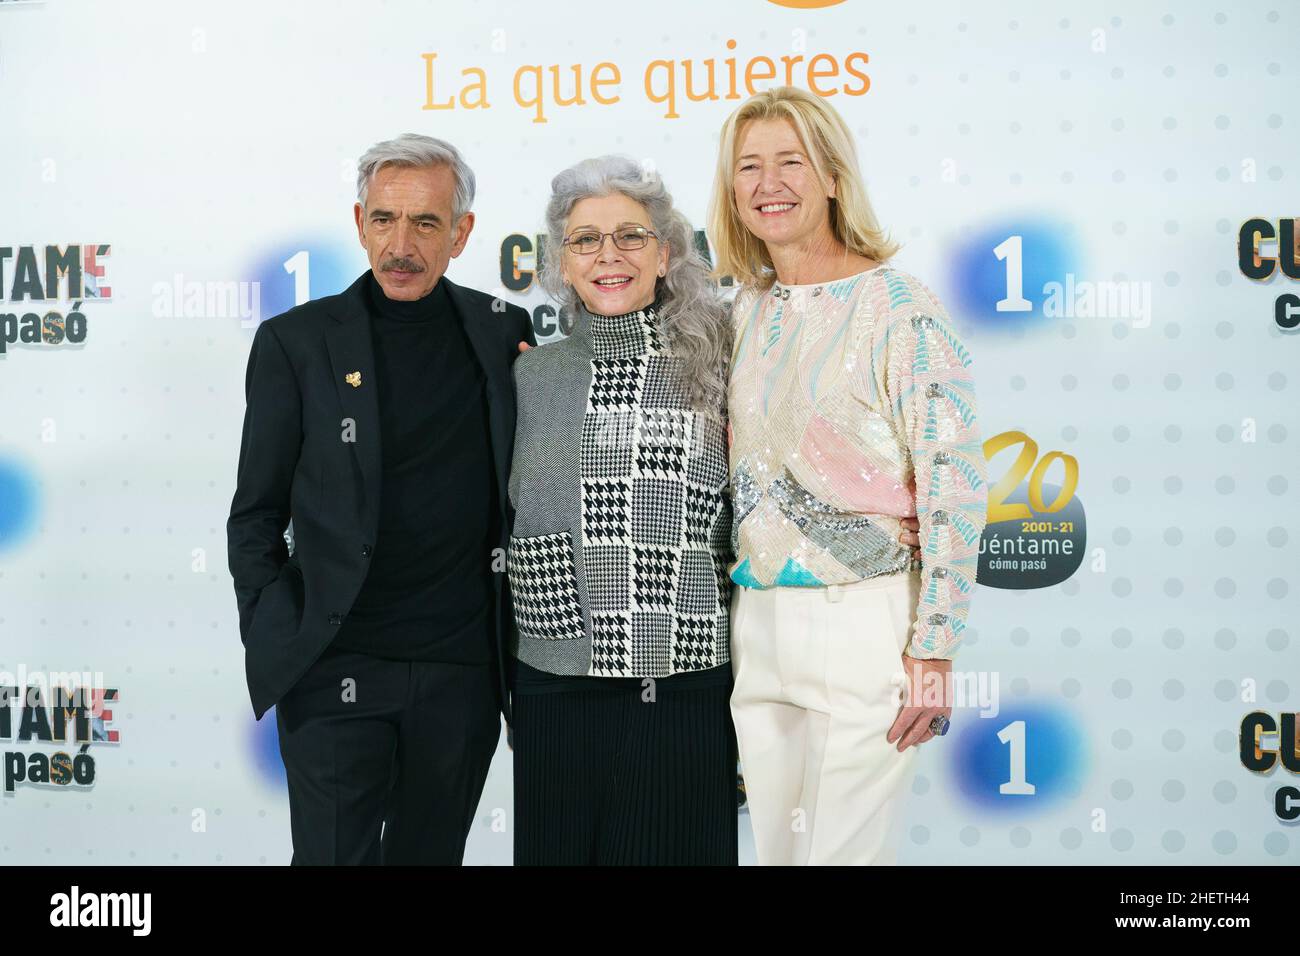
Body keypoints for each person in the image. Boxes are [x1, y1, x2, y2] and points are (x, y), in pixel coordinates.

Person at [227, 133, 535, 864]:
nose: (402, 244)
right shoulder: (296, 343)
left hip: (460, 673)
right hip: (337, 664)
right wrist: (274, 625)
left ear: (460, 234)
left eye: (426, 223)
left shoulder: (503, 333)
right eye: (385, 220)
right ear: (360, 221)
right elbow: (256, 512)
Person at [707, 87, 989, 865]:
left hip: (866, 622)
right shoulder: (742, 312)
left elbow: (955, 486)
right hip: (757, 623)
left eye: (790, 162)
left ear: (833, 176)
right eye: (749, 167)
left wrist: (933, 651)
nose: (769, 183)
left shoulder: (900, 308)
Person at [506, 155, 737, 865]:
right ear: (561, 264)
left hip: (682, 684)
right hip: (553, 685)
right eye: (586, 240)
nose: (609, 255)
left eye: (631, 236)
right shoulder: (528, 373)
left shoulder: (725, 355)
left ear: (666, 253)